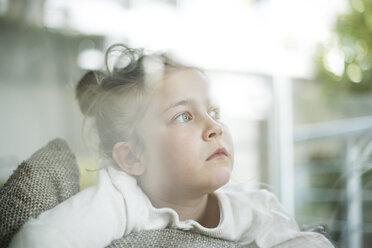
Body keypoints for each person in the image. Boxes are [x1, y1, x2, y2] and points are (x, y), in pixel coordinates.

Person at [9, 44, 334, 247]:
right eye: (184, 116)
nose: (214, 127)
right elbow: (40, 239)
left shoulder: (253, 206)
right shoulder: (119, 197)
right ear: (133, 156)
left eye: (214, 112)